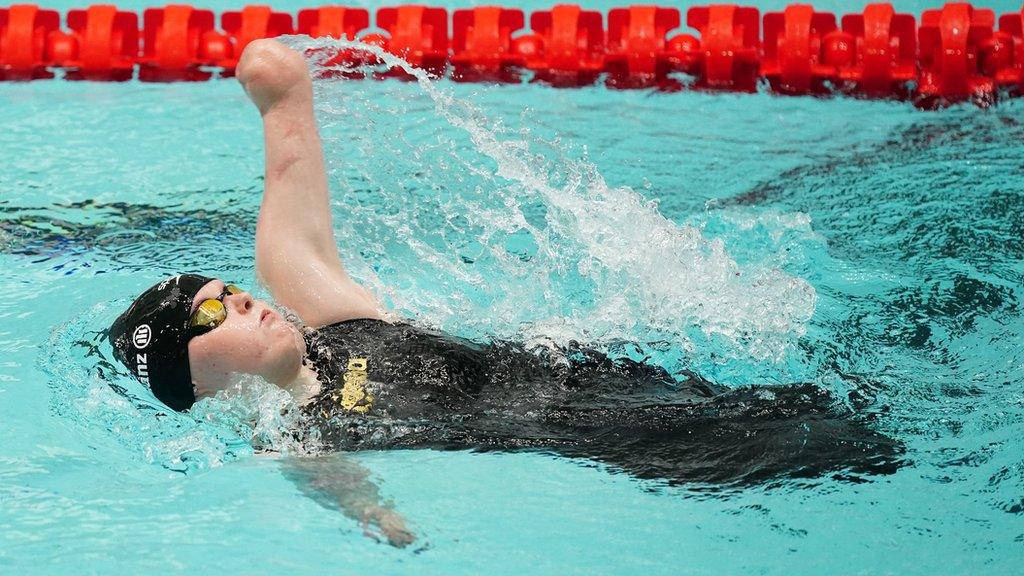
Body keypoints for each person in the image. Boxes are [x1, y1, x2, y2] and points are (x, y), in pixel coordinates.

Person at [107, 40, 902, 547]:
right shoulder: (298, 437)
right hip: (636, 450)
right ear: (193, 380)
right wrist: (383, 524)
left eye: (232, 290)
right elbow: (340, 492)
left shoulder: (331, 320)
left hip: (623, 380)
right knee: (865, 455)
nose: (241, 301)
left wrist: (273, 84)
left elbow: (287, 158)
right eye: (210, 313)